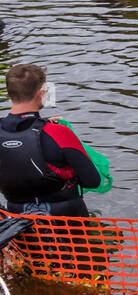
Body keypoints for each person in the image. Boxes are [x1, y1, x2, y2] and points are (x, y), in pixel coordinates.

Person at [0, 64, 107, 217]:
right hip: (67, 223)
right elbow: (93, 181)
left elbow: (19, 137)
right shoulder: (59, 133)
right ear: (41, 93)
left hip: (17, 221)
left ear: (10, 93)